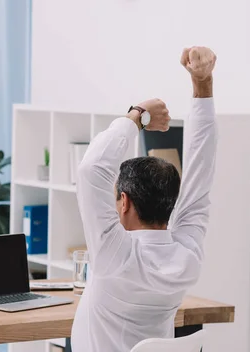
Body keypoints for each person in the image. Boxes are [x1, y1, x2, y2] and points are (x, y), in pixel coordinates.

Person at [70, 46, 218, 352]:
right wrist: (203, 84)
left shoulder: (114, 256)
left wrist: (137, 115)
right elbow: (201, 172)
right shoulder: (187, 258)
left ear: (124, 203)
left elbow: (90, 170)